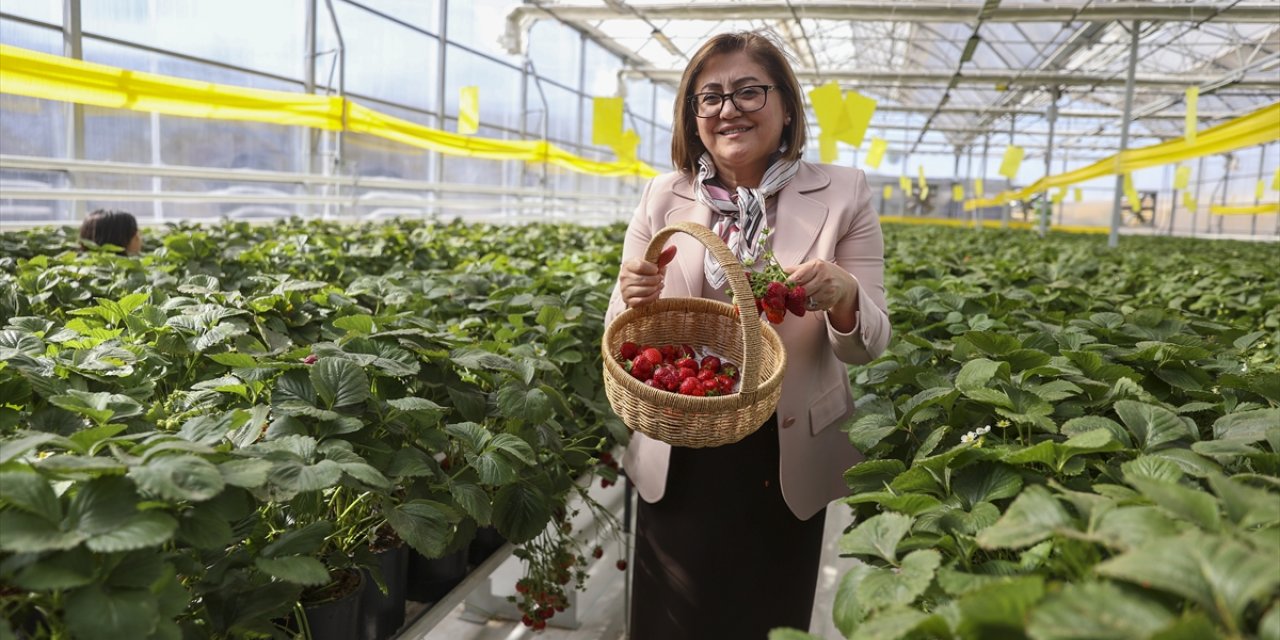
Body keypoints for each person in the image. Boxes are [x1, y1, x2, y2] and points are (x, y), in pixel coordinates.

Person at [604, 31, 891, 638]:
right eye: (709, 98)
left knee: (766, 615)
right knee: (669, 620)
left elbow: (868, 344)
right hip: (680, 436)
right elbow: (618, 333)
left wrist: (843, 297)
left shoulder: (844, 193)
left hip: (783, 451)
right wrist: (634, 299)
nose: (727, 109)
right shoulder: (664, 195)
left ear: (786, 105)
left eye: (748, 91)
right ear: (694, 116)